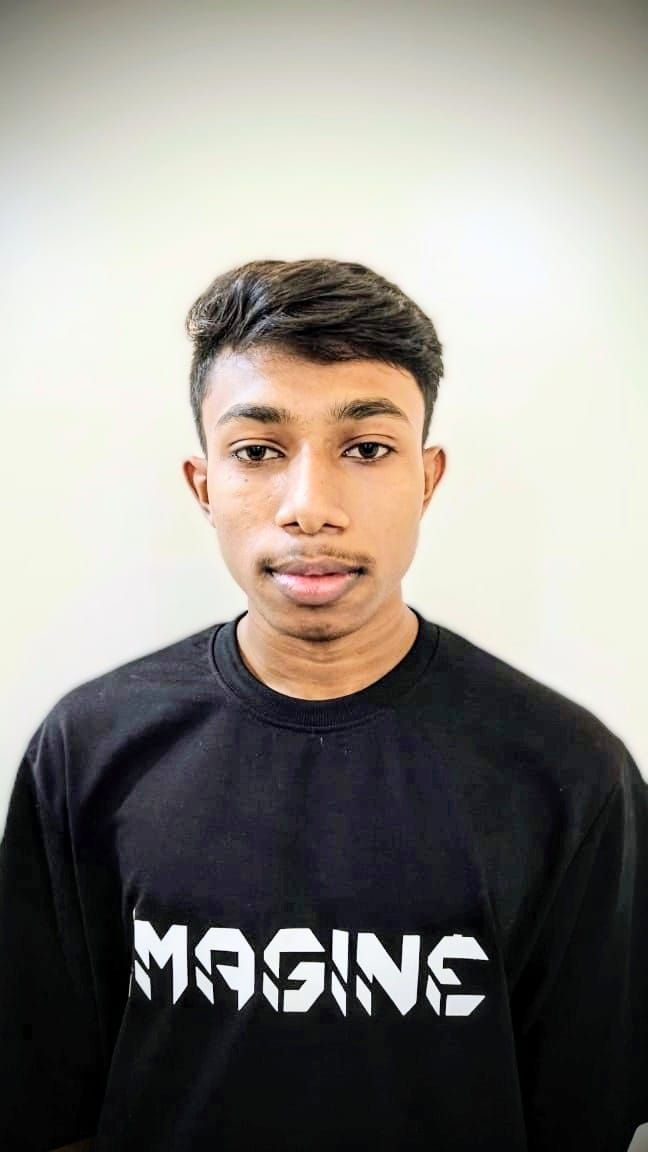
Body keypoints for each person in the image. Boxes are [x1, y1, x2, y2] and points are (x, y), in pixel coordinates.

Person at [1, 258, 646, 1152]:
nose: (311, 508)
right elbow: (49, 1099)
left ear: (427, 479)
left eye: (367, 449)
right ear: (203, 484)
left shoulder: (571, 776)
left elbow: (588, 1118)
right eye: (258, 452)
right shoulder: (88, 748)